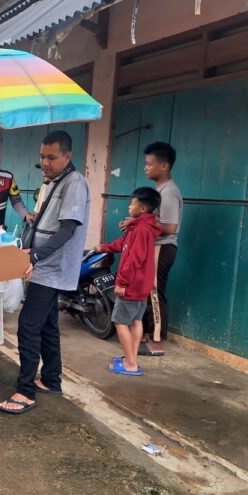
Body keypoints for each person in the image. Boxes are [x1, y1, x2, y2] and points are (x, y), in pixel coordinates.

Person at [0, 131, 89, 414]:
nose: (45, 162)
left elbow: (67, 229)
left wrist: (36, 255)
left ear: (67, 156)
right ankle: (51, 379)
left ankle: (25, 391)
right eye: (42, 156)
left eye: (52, 157)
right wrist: (25, 249)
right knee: (48, 325)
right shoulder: (54, 182)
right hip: (41, 264)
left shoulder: (74, 183)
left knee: (28, 326)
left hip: (52, 268)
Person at [96, 187, 163, 375]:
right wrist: (103, 247)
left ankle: (131, 364)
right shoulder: (140, 227)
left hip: (132, 284)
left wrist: (122, 282)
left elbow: (134, 259)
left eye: (132, 203)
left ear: (142, 209)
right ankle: (130, 358)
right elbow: (122, 245)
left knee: (119, 321)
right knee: (135, 321)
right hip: (142, 284)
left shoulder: (140, 230)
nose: (129, 206)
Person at [139, 142, 183, 356]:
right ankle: (147, 334)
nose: (145, 167)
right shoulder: (160, 191)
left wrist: (141, 223)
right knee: (149, 292)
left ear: (164, 166)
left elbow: (170, 227)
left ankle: (156, 342)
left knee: (155, 294)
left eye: (150, 164)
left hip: (163, 249)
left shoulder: (169, 194)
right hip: (155, 248)